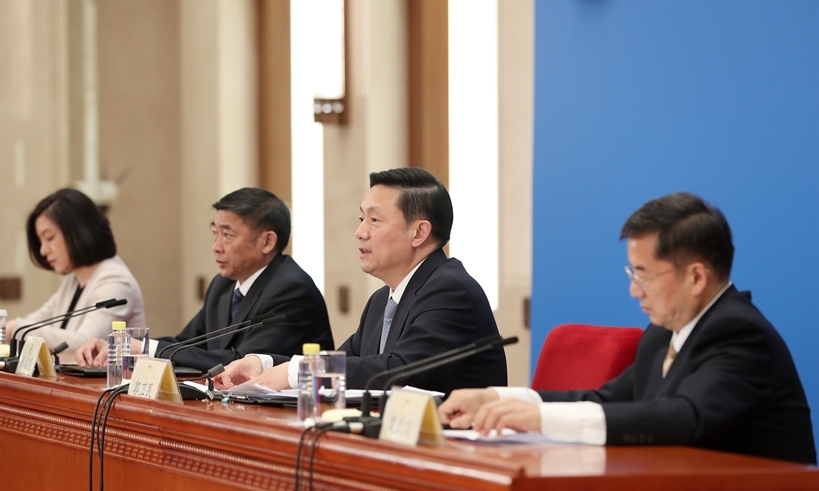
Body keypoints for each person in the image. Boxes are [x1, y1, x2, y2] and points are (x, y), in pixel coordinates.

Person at [439, 193, 816, 464]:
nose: (634, 290)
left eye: (643, 275)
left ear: (696, 277)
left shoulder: (740, 334)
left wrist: (539, 420)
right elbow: (606, 400)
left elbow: (684, 418)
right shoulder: (664, 333)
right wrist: (498, 400)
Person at [215, 167, 507, 394]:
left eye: (374, 220)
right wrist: (263, 363)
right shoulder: (382, 300)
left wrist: (296, 372)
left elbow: (398, 370)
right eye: (361, 219)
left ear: (419, 233)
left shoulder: (451, 290)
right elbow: (343, 360)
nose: (360, 232)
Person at [75, 187, 334, 371]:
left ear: (267, 241)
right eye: (215, 233)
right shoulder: (223, 286)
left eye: (227, 235)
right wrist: (123, 347)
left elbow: (241, 363)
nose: (216, 246)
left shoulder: (291, 290)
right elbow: (186, 344)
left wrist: (145, 348)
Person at [0, 188, 146, 356]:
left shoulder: (116, 281)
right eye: (40, 241)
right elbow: (37, 321)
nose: (43, 251)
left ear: (78, 231)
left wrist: (12, 328)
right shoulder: (74, 281)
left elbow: (83, 343)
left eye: (49, 238)